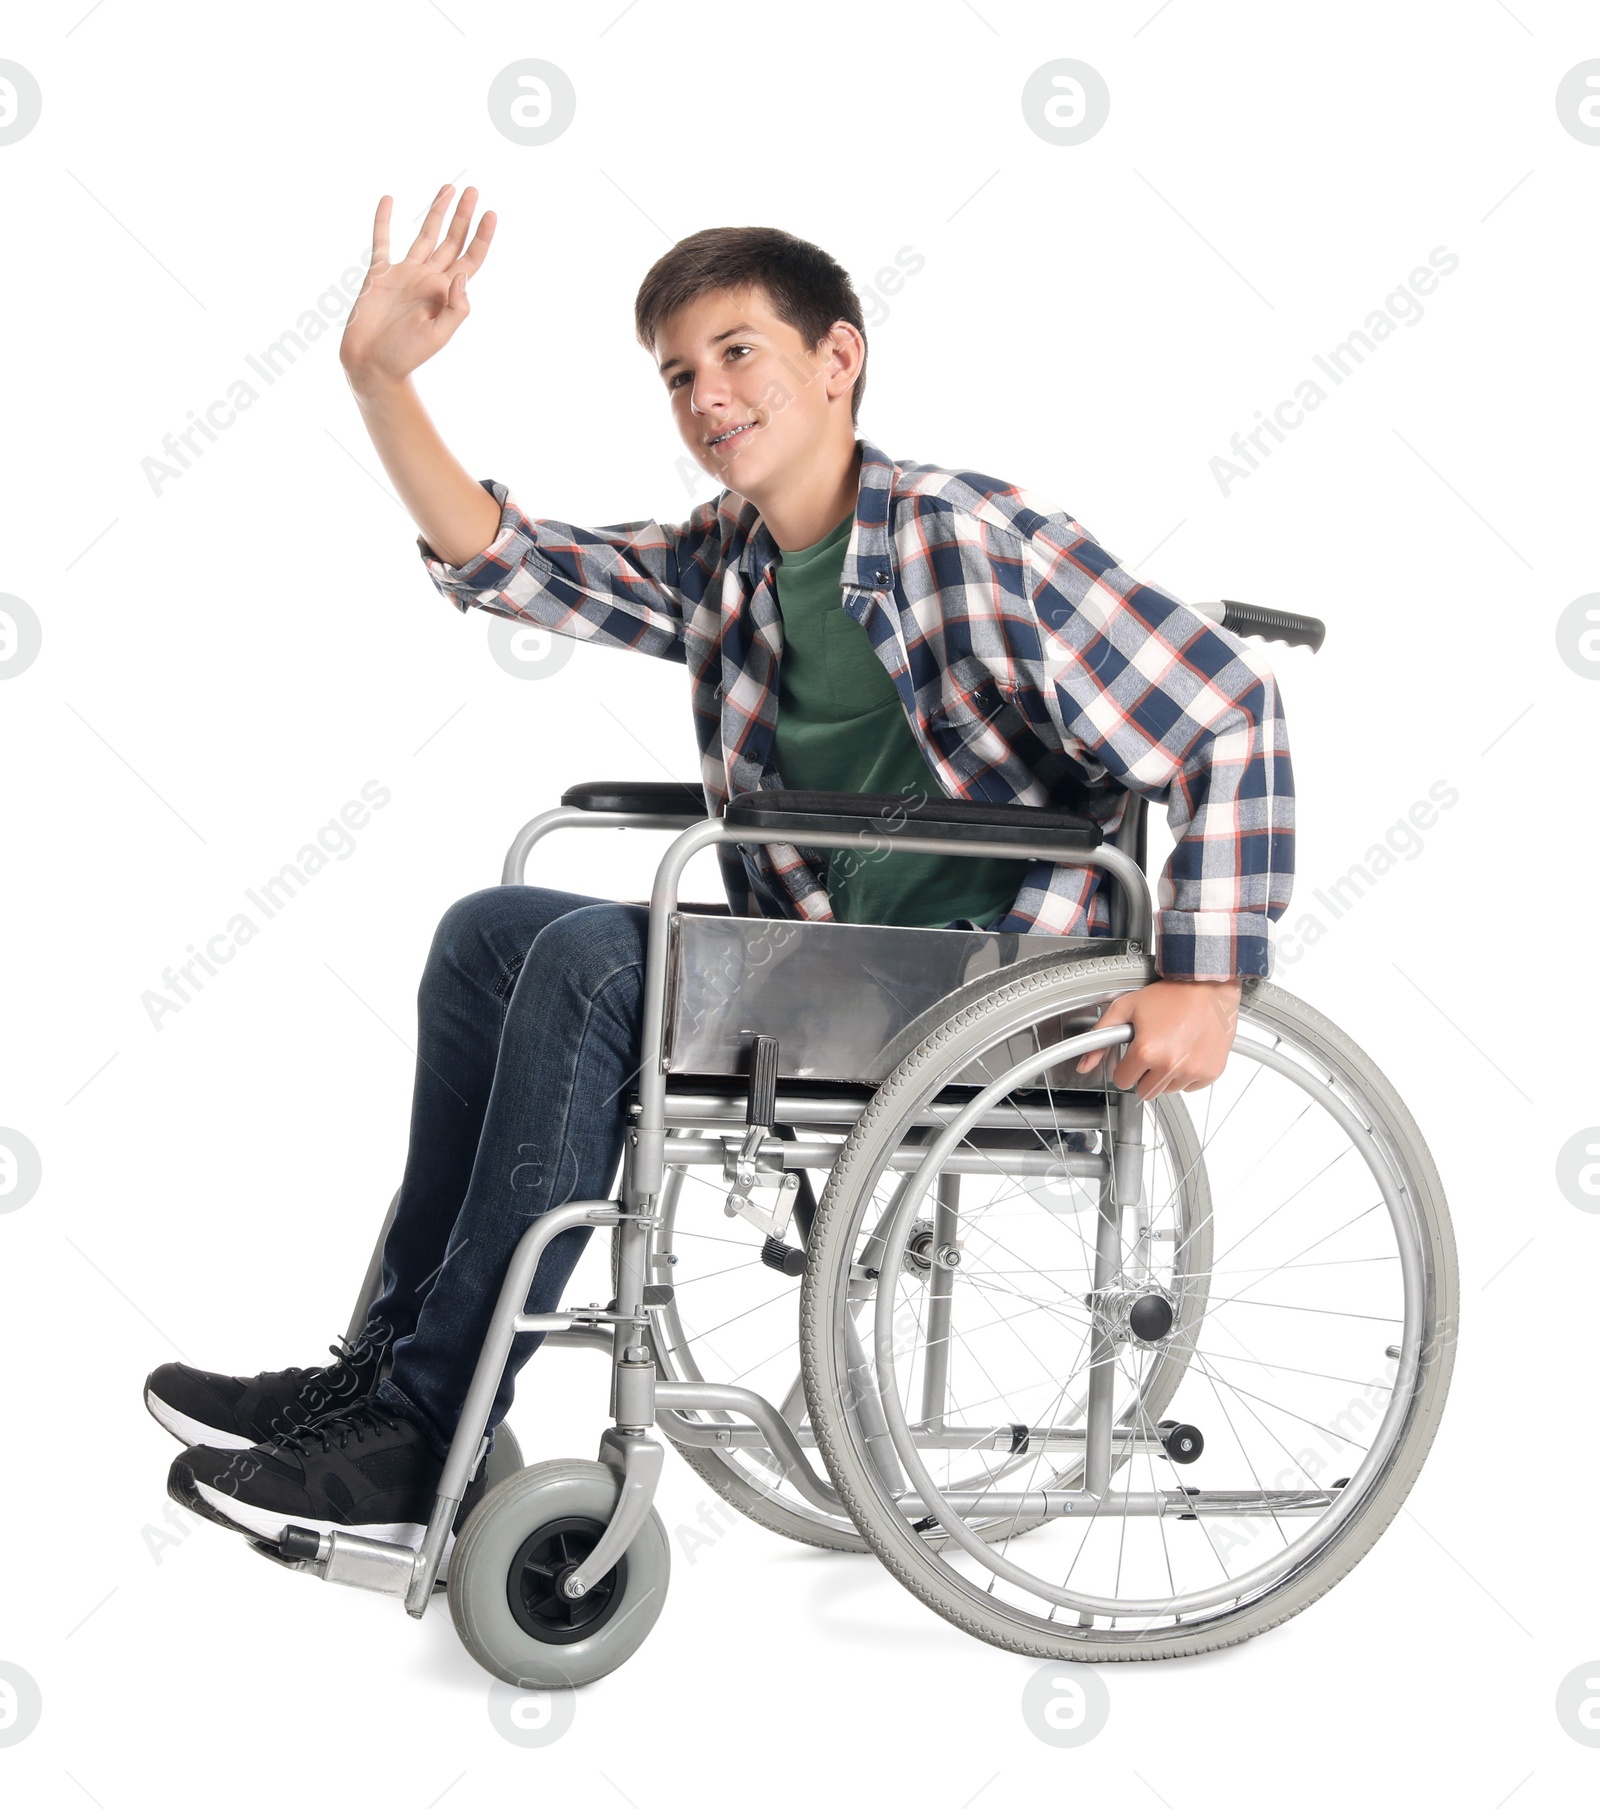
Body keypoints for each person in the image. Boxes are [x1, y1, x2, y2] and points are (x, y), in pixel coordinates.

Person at [145, 184, 1294, 1559]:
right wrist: (376, 376)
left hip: (982, 984)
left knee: (586, 966)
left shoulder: (964, 539)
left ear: (837, 359)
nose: (707, 394)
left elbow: (1226, 708)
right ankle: (385, 1373)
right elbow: (514, 561)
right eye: (680, 372)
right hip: (830, 976)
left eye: (738, 351)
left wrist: (1206, 975)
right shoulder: (731, 560)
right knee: (488, 932)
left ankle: (429, 1416)